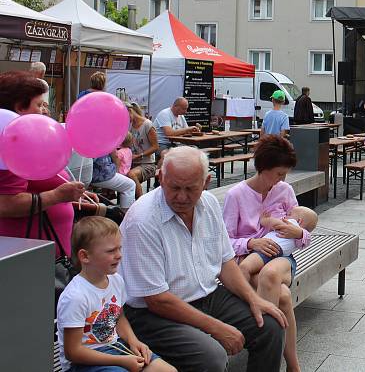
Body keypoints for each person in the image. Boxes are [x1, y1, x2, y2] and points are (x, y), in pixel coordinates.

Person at [120, 146, 286, 371]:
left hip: (207, 295)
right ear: (160, 178)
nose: (181, 196)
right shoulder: (143, 220)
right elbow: (157, 299)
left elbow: (225, 262)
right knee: (212, 356)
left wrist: (253, 298)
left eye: (190, 188)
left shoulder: (208, 203)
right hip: (153, 313)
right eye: (174, 187)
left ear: (206, 182)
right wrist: (217, 328)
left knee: (270, 326)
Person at [222, 135, 310, 372]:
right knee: (282, 296)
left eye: (285, 174)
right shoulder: (236, 195)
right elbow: (225, 243)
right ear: (263, 168)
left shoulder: (284, 190)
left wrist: (297, 232)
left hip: (282, 260)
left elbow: (303, 232)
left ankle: (263, 346)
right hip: (248, 261)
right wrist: (251, 243)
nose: (283, 179)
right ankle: (292, 366)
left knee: (271, 276)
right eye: (279, 173)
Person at [57, 216, 176, 372]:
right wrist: (121, 361)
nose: (119, 255)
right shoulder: (76, 297)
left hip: (114, 346)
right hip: (83, 361)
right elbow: (73, 352)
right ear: (85, 256)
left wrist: (134, 341)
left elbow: (118, 317)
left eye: (120, 248)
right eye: (111, 251)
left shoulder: (116, 280)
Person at [0, 72, 95, 256]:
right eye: (39, 105)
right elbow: (5, 203)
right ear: (20, 107)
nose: (44, 110)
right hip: (28, 256)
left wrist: (71, 193)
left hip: (42, 251)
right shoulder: (10, 146)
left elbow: (38, 183)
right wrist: (57, 195)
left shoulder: (23, 139)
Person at [126, 102, 158, 199]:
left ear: (130, 111)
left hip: (147, 163)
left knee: (131, 175)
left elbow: (155, 146)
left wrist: (140, 156)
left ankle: (140, 202)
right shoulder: (129, 125)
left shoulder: (147, 124)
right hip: (132, 162)